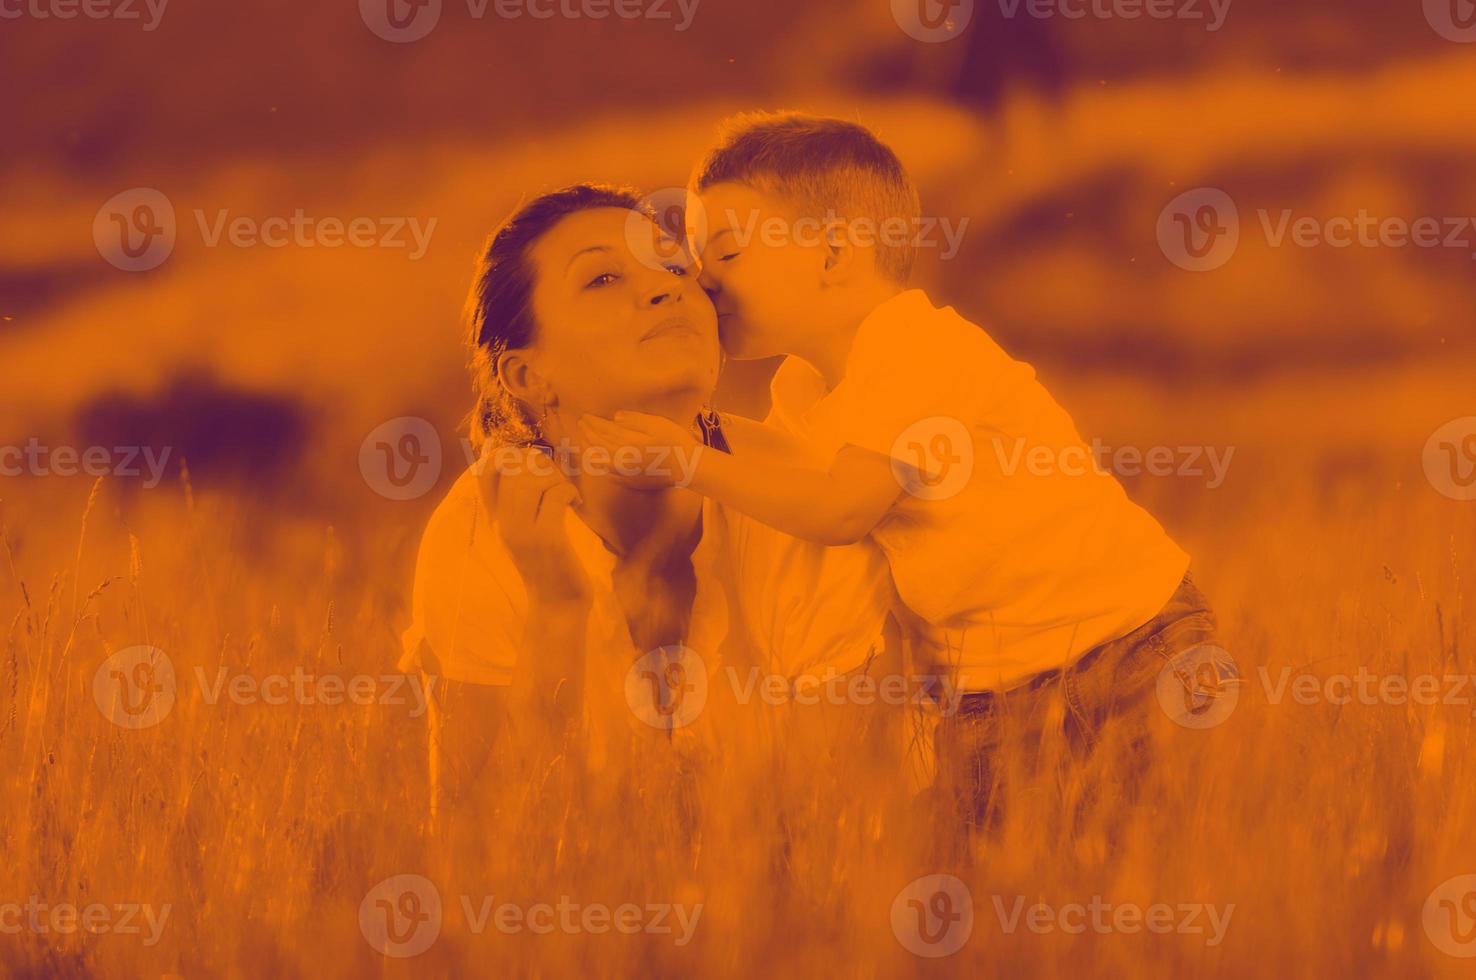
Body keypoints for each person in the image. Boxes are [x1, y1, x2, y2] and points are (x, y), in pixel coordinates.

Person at [579, 113, 1229, 832]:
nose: (704, 281)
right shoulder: (805, 385)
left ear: (832, 254)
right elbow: (791, 471)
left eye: (726, 254)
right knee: (1000, 892)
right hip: (989, 694)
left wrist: (684, 460)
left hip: (1127, 653)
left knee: (1151, 864)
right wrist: (682, 427)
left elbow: (840, 511)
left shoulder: (916, 347)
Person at [397, 184, 914, 856]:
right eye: (604, 277)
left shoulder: (799, 493)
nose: (667, 290)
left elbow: (849, 825)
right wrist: (557, 607)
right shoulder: (483, 530)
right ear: (525, 374)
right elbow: (475, 853)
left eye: (675, 268)